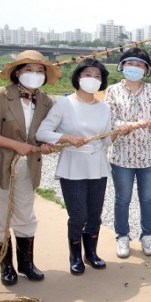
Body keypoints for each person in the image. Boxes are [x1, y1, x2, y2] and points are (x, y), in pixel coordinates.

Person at [0, 50, 61, 285]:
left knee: (25, 215)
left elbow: (43, 134)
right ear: (17, 72)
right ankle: (6, 266)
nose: (35, 74)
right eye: (29, 69)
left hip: (28, 168)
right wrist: (15, 145)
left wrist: (45, 145)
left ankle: (27, 264)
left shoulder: (45, 102)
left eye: (40, 70)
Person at [37, 58, 118, 275]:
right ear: (78, 77)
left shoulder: (104, 108)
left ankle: (90, 254)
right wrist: (67, 137)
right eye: (88, 74)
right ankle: (74, 256)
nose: (92, 79)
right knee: (78, 214)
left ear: (102, 82)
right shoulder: (64, 104)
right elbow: (42, 133)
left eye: (98, 76)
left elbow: (106, 141)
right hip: (72, 165)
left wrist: (118, 133)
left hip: (97, 166)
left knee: (94, 214)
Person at [104, 48, 151, 258]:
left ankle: (147, 235)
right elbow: (110, 121)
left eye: (139, 65)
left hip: (149, 154)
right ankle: (123, 236)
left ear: (146, 69)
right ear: (122, 66)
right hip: (122, 156)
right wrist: (131, 124)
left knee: (147, 198)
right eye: (130, 64)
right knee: (123, 198)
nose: (134, 68)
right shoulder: (113, 91)